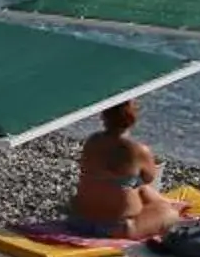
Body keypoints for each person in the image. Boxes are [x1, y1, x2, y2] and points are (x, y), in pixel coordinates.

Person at [70, 100, 186, 239]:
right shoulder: (138, 150)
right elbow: (149, 178)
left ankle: (166, 201)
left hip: (79, 221)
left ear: (104, 115)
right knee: (169, 213)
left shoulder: (92, 141)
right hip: (117, 228)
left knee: (133, 184)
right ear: (133, 118)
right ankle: (168, 204)